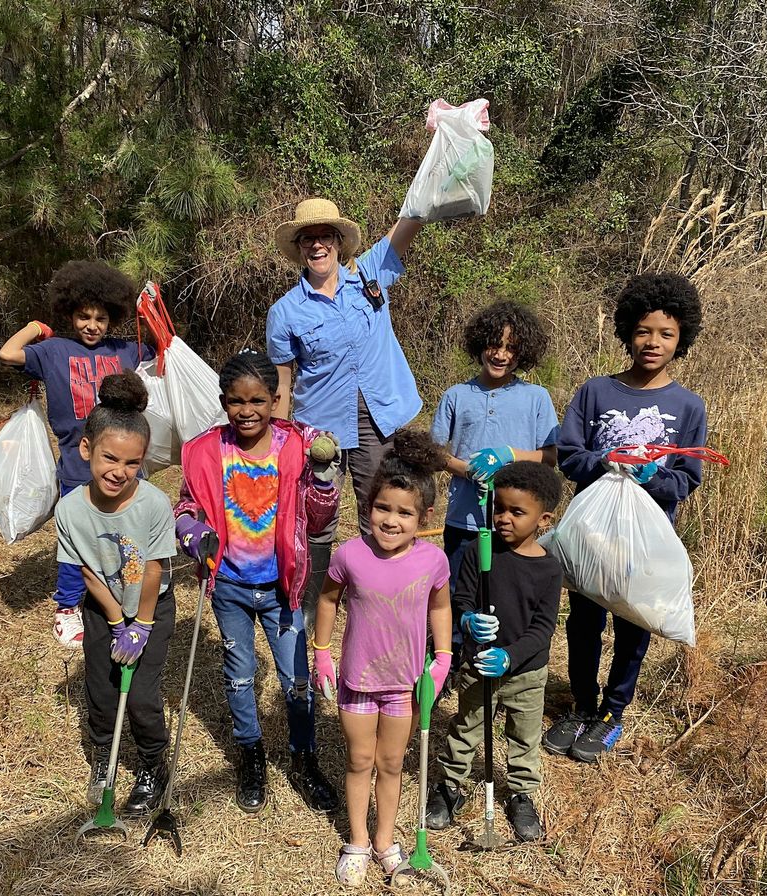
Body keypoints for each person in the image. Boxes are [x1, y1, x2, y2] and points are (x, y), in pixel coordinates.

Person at [542, 272, 706, 763]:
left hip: (648, 540)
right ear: (626, 332)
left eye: (666, 334)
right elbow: (569, 454)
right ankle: (582, 703)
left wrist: (650, 475)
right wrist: (606, 462)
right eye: (643, 331)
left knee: (635, 625)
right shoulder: (596, 392)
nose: (652, 342)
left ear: (682, 339)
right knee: (584, 621)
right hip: (592, 536)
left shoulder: (688, 406)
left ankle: (613, 713)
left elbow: (688, 478)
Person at [173, 350, 343, 814]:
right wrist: (194, 534)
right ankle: (251, 755)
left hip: (282, 588)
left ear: (276, 400)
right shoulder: (205, 451)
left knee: (296, 680)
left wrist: (324, 481)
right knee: (240, 676)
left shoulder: (297, 448)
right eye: (235, 401)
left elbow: (320, 517)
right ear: (223, 401)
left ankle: (304, 758)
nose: (246, 411)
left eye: (257, 401)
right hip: (227, 584)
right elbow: (187, 507)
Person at [265, 198, 428, 628]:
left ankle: (377, 597)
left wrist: (442, 158)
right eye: (307, 239)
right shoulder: (285, 312)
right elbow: (283, 382)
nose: (317, 245)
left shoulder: (369, 274)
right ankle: (310, 603)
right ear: (300, 248)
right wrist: (278, 440)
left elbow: (410, 221)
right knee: (318, 518)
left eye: (324, 236)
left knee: (379, 508)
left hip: (378, 418)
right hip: (321, 429)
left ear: (339, 242)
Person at [311, 430, 453, 885]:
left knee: (392, 764)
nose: (391, 520)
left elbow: (441, 606)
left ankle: (385, 840)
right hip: (357, 680)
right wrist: (321, 652)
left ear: (424, 516)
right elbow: (329, 600)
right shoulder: (350, 554)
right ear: (367, 507)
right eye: (383, 508)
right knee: (359, 760)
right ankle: (356, 840)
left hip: (406, 684)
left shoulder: (433, 561)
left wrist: (444, 654)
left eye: (405, 512)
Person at [0, 260, 151, 647]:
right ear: (70, 314)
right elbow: (7, 354)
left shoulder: (124, 350)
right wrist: (35, 328)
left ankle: (125, 590)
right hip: (76, 464)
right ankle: (67, 609)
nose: (92, 325)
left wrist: (151, 311)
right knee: (75, 539)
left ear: (112, 318)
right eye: (84, 316)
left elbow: (162, 349)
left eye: (101, 318)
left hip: (124, 463)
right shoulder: (52, 351)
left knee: (129, 532)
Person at [53, 372, 177, 816]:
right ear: (86, 449)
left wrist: (140, 624)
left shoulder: (153, 505)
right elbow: (86, 571)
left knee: (142, 695)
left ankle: (151, 764)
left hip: (151, 607)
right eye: (110, 458)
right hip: (101, 609)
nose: (119, 472)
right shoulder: (69, 510)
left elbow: (153, 568)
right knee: (102, 692)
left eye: (132, 464)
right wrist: (113, 620)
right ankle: (104, 760)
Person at [425, 461, 564, 843]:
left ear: (544, 519)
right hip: (477, 664)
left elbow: (543, 629)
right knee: (466, 727)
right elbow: (462, 598)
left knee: (524, 736)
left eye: (517, 512)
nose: (504, 518)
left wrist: (510, 656)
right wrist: (468, 620)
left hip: (526, 673)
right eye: (499, 508)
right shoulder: (475, 551)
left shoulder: (550, 570)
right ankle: (450, 786)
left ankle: (521, 793)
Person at [430, 300, 559, 690]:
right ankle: (448, 662)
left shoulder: (536, 398)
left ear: (523, 352)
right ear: (479, 344)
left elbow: (551, 456)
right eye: (494, 344)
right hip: (464, 518)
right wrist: (465, 469)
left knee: (503, 594)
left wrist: (510, 456)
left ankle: (498, 661)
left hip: (514, 525)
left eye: (511, 348)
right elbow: (436, 451)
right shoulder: (456, 395)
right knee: (457, 593)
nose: (500, 354)